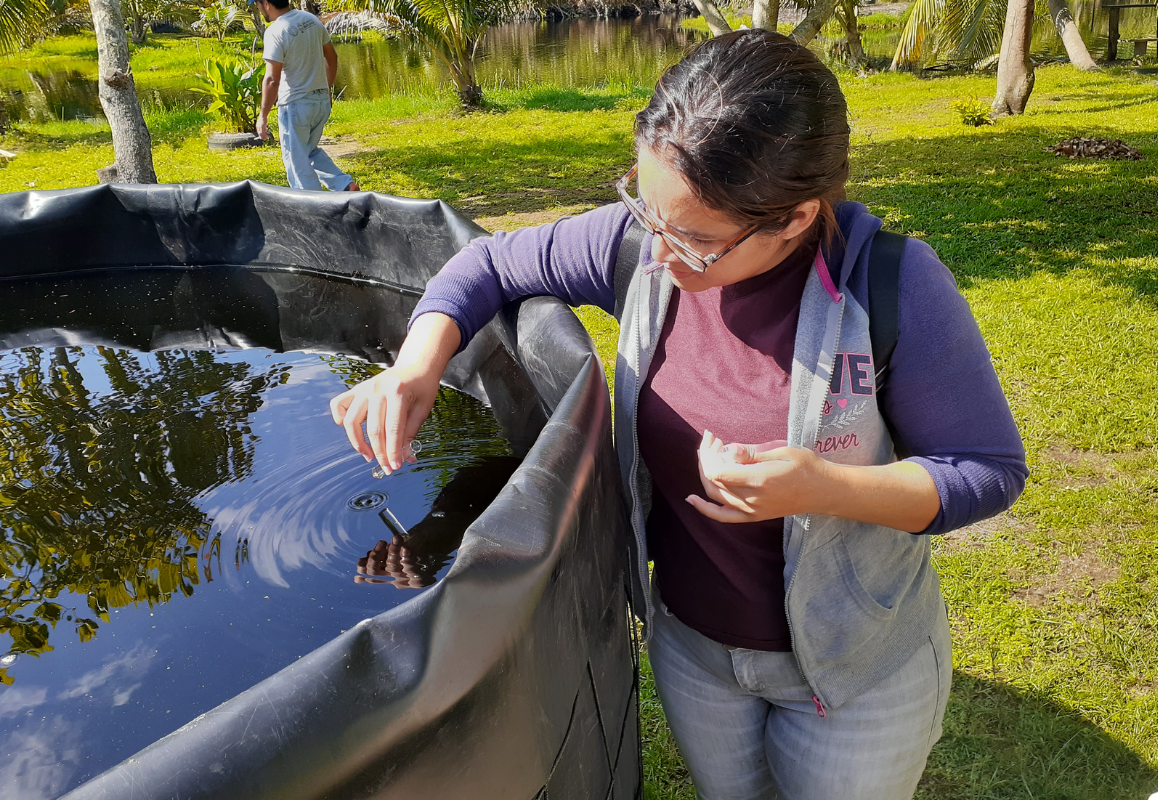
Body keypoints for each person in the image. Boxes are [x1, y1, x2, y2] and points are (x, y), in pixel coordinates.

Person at [329, 30, 1027, 800]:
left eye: (694, 241)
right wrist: (416, 366)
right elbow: (488, 262)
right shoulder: (642, 245)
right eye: (644, 205)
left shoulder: (894, 287)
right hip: (696, 658)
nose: (656, 254)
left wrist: (825, 488)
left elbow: (987, 471)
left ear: (793, 220)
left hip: (855, 676)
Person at [253, 0, 359, 192]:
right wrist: (326, 89)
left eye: (258, 5)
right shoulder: (311, 20)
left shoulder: (276, 31)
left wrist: (263, 116)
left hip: (295, 105)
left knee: (296, 162)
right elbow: (332, 57)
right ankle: (344, 185)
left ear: (266, 3)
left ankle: (313, 210)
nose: (259, 10)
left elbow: (271, 80)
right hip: (320, 102)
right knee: (308, 150)